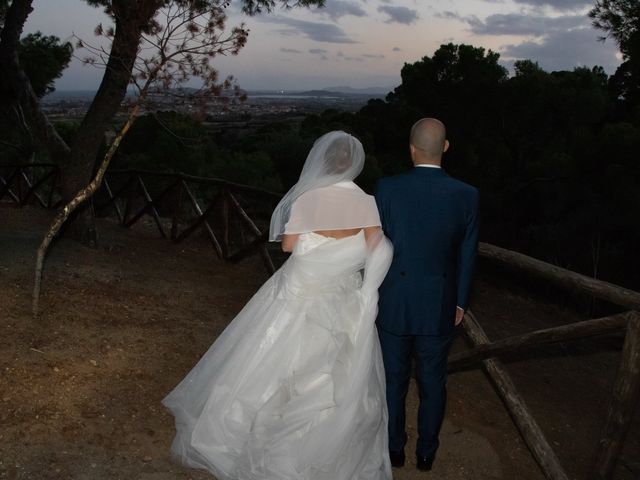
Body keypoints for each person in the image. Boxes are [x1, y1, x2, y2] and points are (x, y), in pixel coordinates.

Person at [163, 131, 394, 480]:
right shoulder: (366, 201)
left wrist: (319, 247)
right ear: (354, 164)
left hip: (299, 289)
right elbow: (378, 247)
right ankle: (327, 447)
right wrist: (354, 268)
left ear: (325, 161)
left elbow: (288, 246)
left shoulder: (307, 199)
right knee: (331, 371)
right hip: (342, 296)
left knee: (269, 357)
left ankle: (251, 428)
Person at [375, 118, 479, 471]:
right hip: (440, 304)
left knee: (393, 380)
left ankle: (394, 450)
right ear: (445, 148)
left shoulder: (387, 189)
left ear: (411, 149)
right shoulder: (467, 194)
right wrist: (461, 300)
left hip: (394, 300)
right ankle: (426, 453)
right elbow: (468, 253)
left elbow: (377, 247)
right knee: (433, 382)